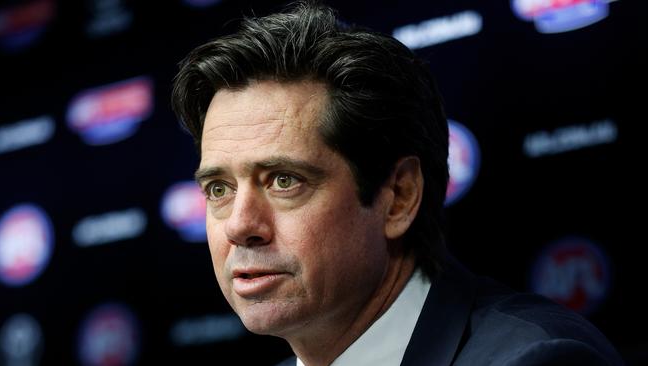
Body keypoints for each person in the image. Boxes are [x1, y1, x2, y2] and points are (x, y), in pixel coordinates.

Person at [171, 2, 624, 365]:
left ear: (399, 198)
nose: (239, 225)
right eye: (219, 189)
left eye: (284, 180)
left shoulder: (536, 358)